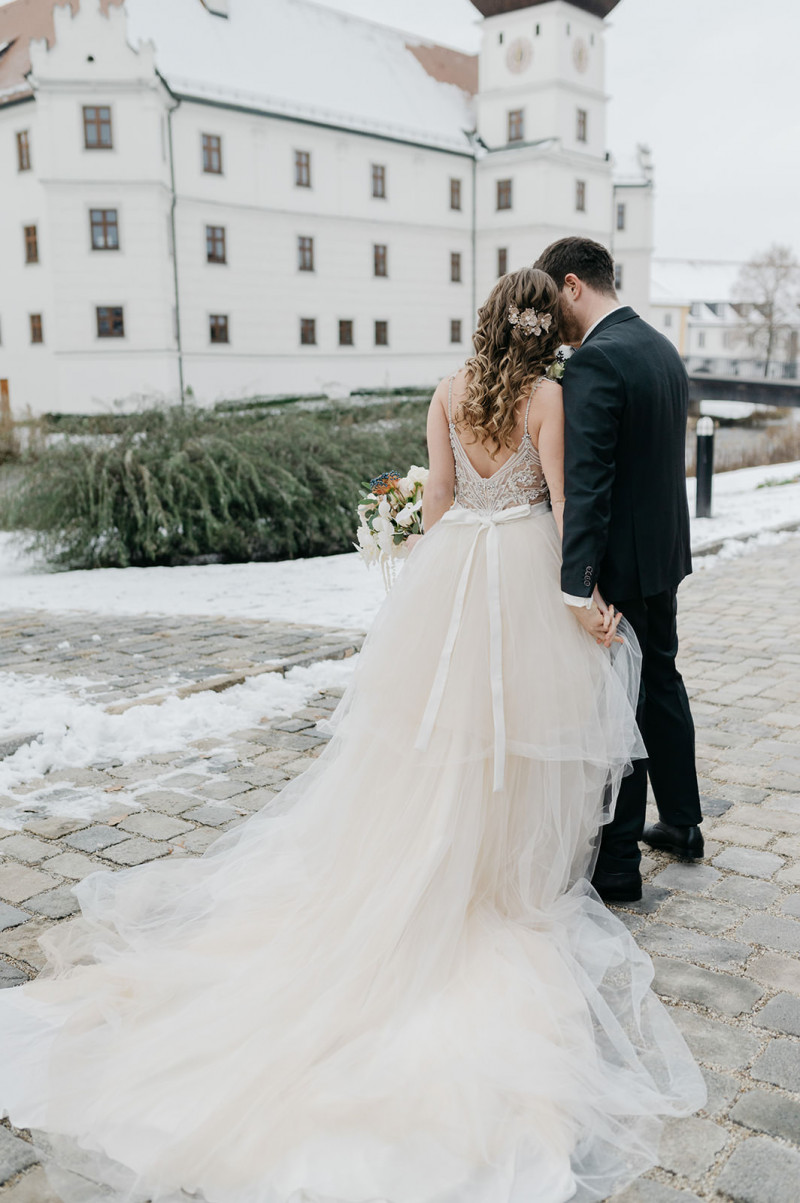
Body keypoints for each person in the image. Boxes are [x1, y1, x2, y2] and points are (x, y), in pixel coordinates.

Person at [0, 268, 704, 1203]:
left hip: (452, 575)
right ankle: (504, 871)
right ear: (544, 328)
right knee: (523, 734)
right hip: (528, 575)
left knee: (438, 731)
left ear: (487, 319)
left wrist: (452, 574)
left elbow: (443, 503)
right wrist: (568, 594)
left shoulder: (447, 392)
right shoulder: (549, 396)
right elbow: (570, 506)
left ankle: (438, 853)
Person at [535, 237, 704, 904]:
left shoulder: (596, 362)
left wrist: (578, 582)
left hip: (623, 563)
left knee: (619, 702)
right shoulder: (661, 347)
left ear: (572, 286)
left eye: (552, 302)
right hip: (664, 552)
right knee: (660, 679)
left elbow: (591, 483)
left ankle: (618, 867)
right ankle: (686, 823)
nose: (551, 321)